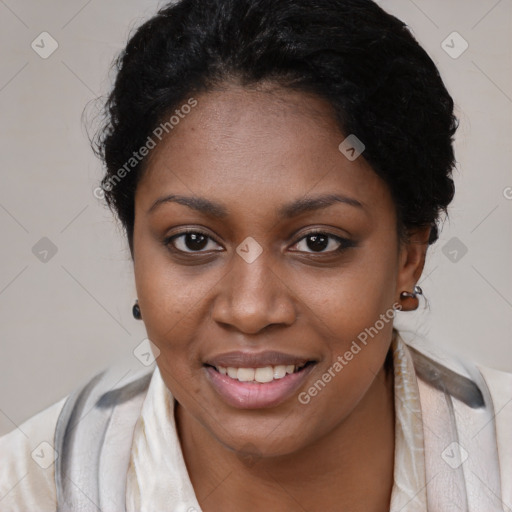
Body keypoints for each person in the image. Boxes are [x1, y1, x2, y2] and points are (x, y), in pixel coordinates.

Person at [1, 0, 511, 511]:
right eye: (193, 241)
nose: (250, 310)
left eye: (317, 241)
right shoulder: (27, 489)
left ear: (409, 257)